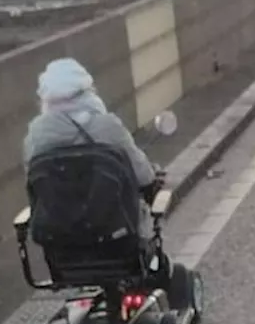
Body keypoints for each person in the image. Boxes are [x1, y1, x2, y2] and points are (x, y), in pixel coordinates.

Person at [23, 58, 159, 242]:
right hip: (116, 238)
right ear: (87, 92)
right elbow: (144, 176)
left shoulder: (36, 137)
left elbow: (35, 186)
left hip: (62, 245)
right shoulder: (108, 128)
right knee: (173, 270)